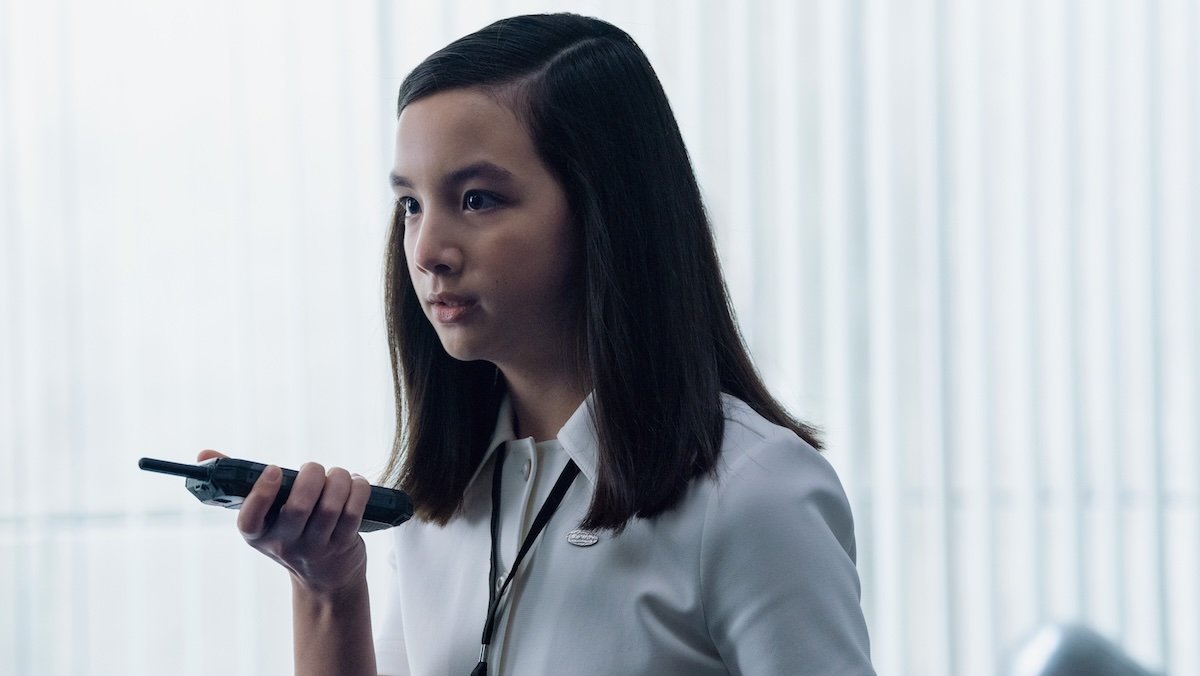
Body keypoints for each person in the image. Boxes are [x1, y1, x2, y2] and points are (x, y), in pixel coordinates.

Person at [202, 13, 874, 676]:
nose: (427, 251)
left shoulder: (755, 494)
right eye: (411, 205)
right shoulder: (440, 506)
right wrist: (326, 589)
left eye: (476, 199)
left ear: (604, 209)